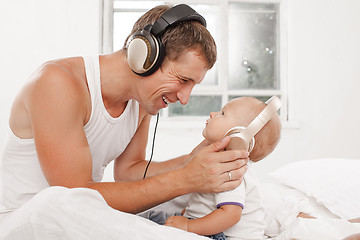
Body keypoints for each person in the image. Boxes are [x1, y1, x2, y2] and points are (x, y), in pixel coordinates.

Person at [0, 4, 249, 238]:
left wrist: (193, 164)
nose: (184, 98)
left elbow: (129, 173)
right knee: (55, 201)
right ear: (145, 57)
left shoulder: (141, 101)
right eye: (183, 80)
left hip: (82, 215)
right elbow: (75, 194)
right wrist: (184, 178)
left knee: (196, 195)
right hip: (26, 220)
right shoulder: (58, 83)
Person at [155, 97, 282, 239]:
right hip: (209, 227)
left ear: (239, 135)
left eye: (222, 114)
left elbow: (230, 216)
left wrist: (188, 226)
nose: (212, 114)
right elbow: (205, 200)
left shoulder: (232, 169)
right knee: (155, 218)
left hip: (223, 235)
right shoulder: (219, 160)